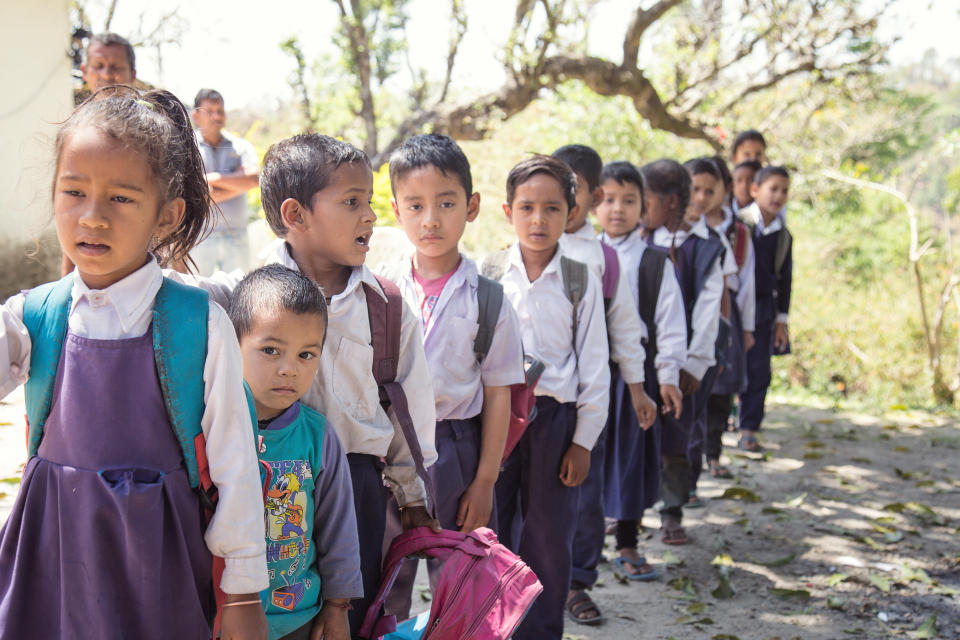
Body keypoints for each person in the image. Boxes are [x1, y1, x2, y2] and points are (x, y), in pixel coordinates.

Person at [0, 88, 268, 640]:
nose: (91, 217)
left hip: (156, 556)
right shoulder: (32, 316)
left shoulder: (197, 323)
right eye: (73, 192)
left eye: (121, 199)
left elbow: (236, 461)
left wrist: (242, 590)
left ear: (166, 216)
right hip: (53, 548)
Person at [174, 133, 440, 636]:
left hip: (360, 496)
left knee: (355, 619)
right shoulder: (244, 295)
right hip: (265, 487)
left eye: (369, 202)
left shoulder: (386, 306)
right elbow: (172, 291)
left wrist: (414, 499)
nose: (370, 216)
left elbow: (410, 413)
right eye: (352, 202)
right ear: (295, 215)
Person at [377, 134, 525, 619]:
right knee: (385, 581)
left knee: (460, 582)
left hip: (458, 452)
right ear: (397, 211)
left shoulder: (489, 298)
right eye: (416, 205)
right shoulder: (380, 288)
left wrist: (484, 481)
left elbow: (499, 394)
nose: (431, 219)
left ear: (472, 206)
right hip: (390, 450)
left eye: (446, 203)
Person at [481, 155, 610, 640]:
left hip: (556, 421)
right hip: (497, 416)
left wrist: (583, 442)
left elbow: (594, 364)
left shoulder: (580, 279)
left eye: (552, 208)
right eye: (527, 207)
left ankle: (541, 632)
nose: (539, 220)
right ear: (506, 210)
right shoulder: (489, 273)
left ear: (572, 212)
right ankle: (495, 628)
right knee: (493, 531)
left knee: (550, 536)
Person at [549, 145, 656, 626]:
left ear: (591, 199)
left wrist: (637, 388)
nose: (559, 202)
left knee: (585, 494)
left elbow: (625, 329)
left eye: (573, 191)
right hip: (530, 401)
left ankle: (576, 581)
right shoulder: (523, 252)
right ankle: (525, 583)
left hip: (587, 397)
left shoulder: (603, 260)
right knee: (527, 496)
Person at [229, 265, 362, 640]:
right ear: (231, 343)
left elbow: (338, 529)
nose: (289, 369)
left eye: (306, 355)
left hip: (297, 617)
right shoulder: (211, 431)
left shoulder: (317, 437)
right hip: (221, 619)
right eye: (270, 350)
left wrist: (337, 608)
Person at [596, 161, 687, 587]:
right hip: (592, 373)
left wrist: (667, 376)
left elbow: (671, 323)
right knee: (589, 455)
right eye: (609, 199)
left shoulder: (654, 261)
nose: (618, 209)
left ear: (644, 207)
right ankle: (588, 540)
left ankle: (628, 541)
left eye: (629, 201)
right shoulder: (582, 254)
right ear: (595, 202)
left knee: (630, 458)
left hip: (637, 378)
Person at [640, 158, 724, 546]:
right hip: (640, 361)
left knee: (677, 437)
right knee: (636, 436)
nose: (639, 208)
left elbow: (709, 312)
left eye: (646, 200)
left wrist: (693, 363)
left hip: (685, 363)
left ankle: (671, 510)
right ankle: (628, 510)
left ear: (671, 202)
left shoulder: (706, 249)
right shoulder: (637, 242)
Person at [738, 166, 793, 452]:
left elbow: (785, 281)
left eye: (784, 190)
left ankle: (749, 428)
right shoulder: (739, 225)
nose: (778, 195)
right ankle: (723, 423)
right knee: (731, 366)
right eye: (773, 188)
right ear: (755, 190)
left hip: (764, 308)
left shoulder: (783, 236)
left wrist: (782, 320)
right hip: (735, 305)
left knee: (760, 370)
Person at [190, 89, 260, 274]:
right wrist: (238, 183)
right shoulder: (186, 148)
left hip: (237, 236)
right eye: (209, 111)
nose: (216, 116)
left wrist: (212, 179)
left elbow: (254, 179)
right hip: (200, 236)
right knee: (201, 294)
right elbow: (191, 192)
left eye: (220, 110)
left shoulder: (241, 146)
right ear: (196, 116)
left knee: (239, 296)